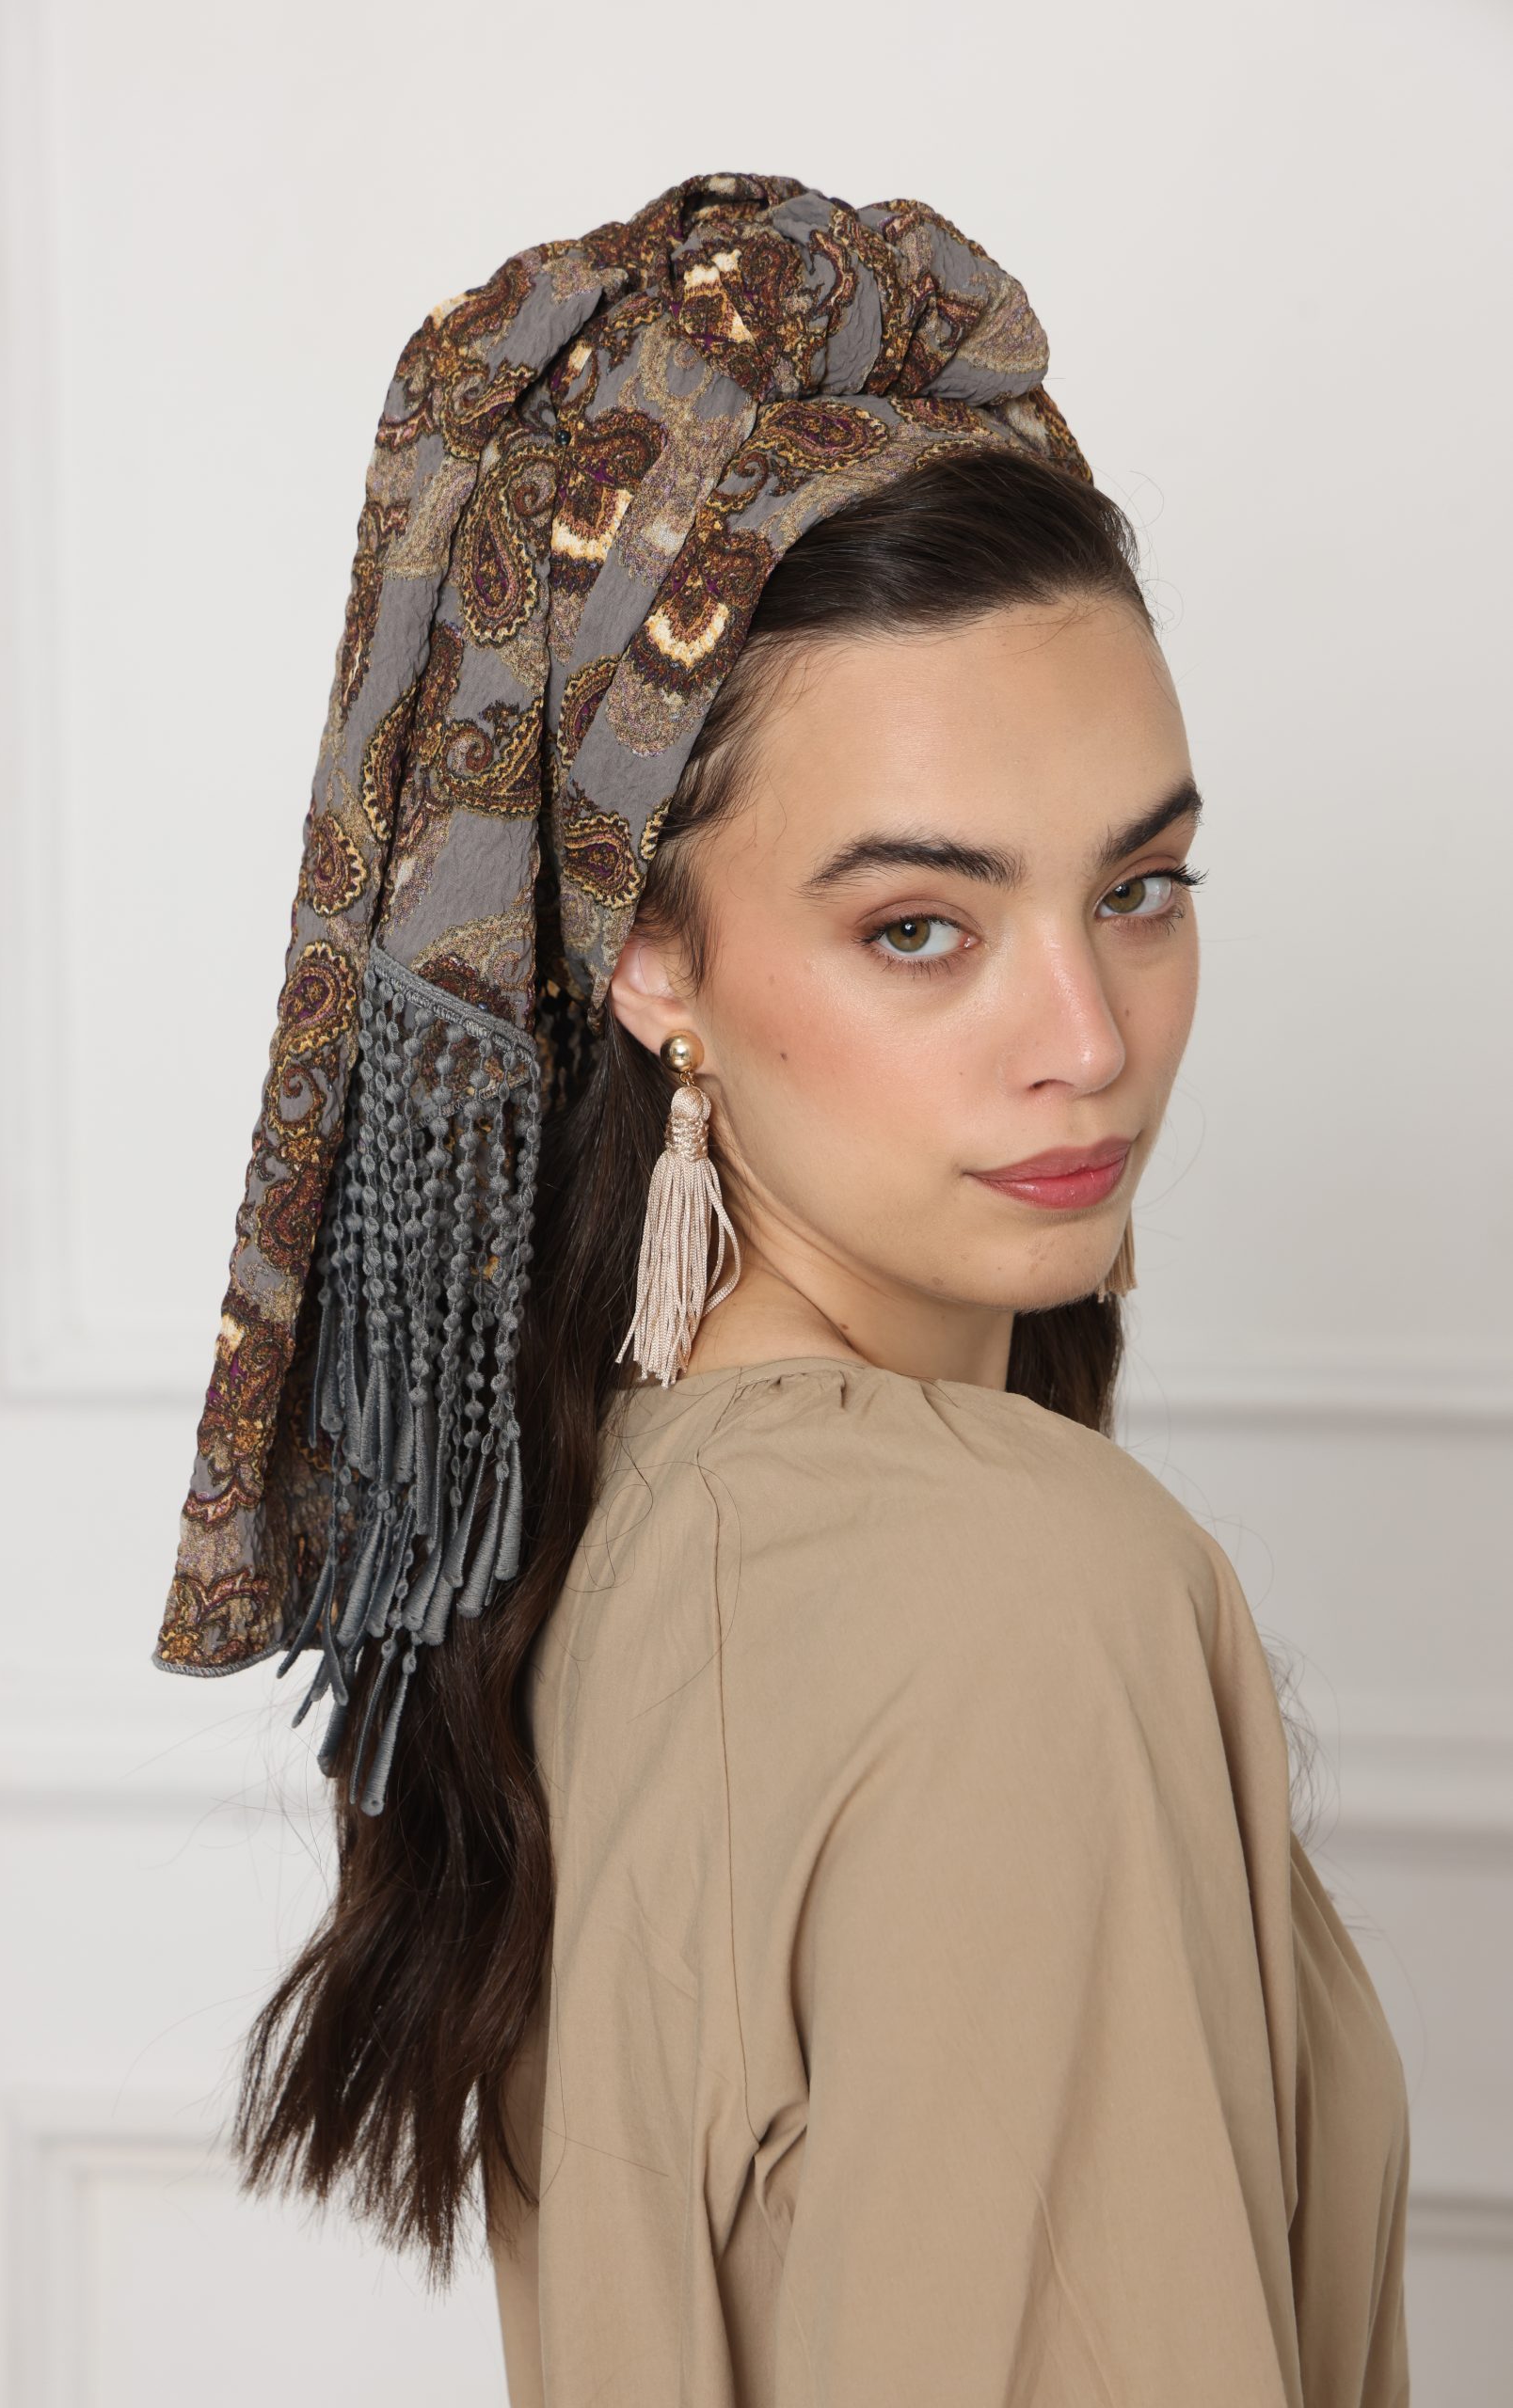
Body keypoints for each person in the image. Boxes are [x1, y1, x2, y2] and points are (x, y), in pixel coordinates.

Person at [153, 173, 1411, 2403]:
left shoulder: (604, 1539)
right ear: (652, 954)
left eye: (1139, 885)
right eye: (917, 925)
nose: (1087, 1035)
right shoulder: (1016, 1598)